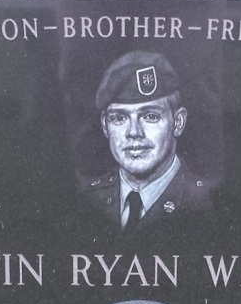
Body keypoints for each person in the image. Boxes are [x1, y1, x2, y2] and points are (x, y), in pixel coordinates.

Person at [84, 51, 213, 235]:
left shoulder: (208, 206)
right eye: (119, 118)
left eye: (150, 116)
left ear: (178, 122)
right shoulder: (87, 202)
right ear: (105, 125)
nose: (134, 132)